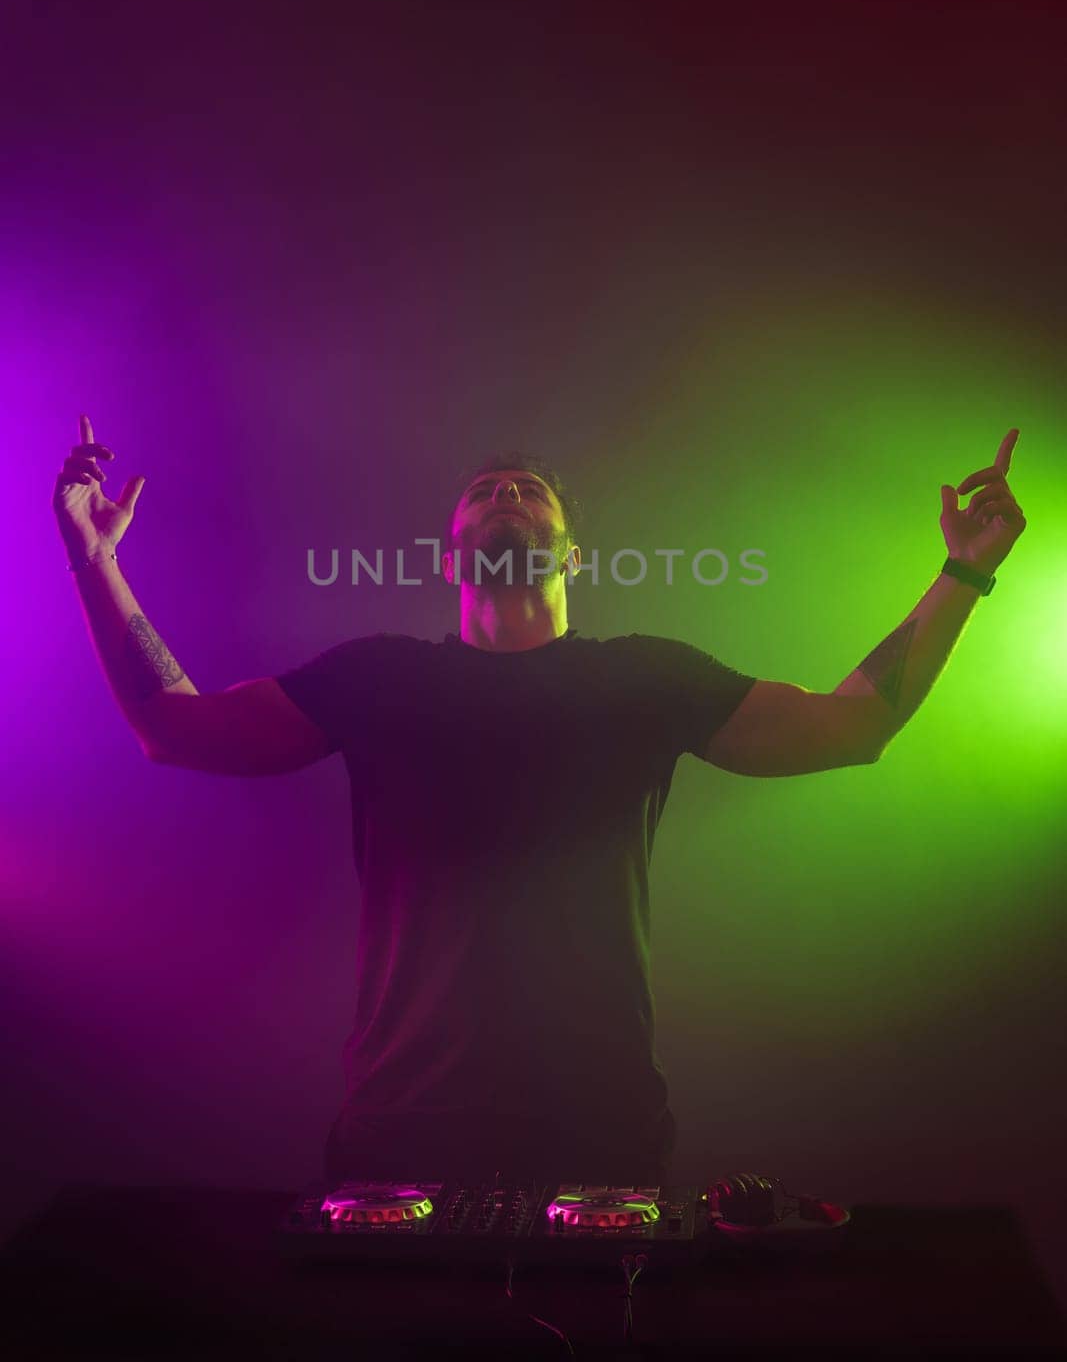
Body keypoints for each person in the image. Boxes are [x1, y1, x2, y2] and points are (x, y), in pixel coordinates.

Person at [53, 416, 1026, 1185]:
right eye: (483, 492)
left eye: (527, 492)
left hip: (599, 1139)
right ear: (448, 559)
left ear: (569, 557)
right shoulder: (378, 678)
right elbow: (174, 728)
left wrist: (963, 569)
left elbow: (849, 725)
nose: (505, 495)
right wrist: (96, 561)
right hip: (401, 1136)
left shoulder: (643, 679)